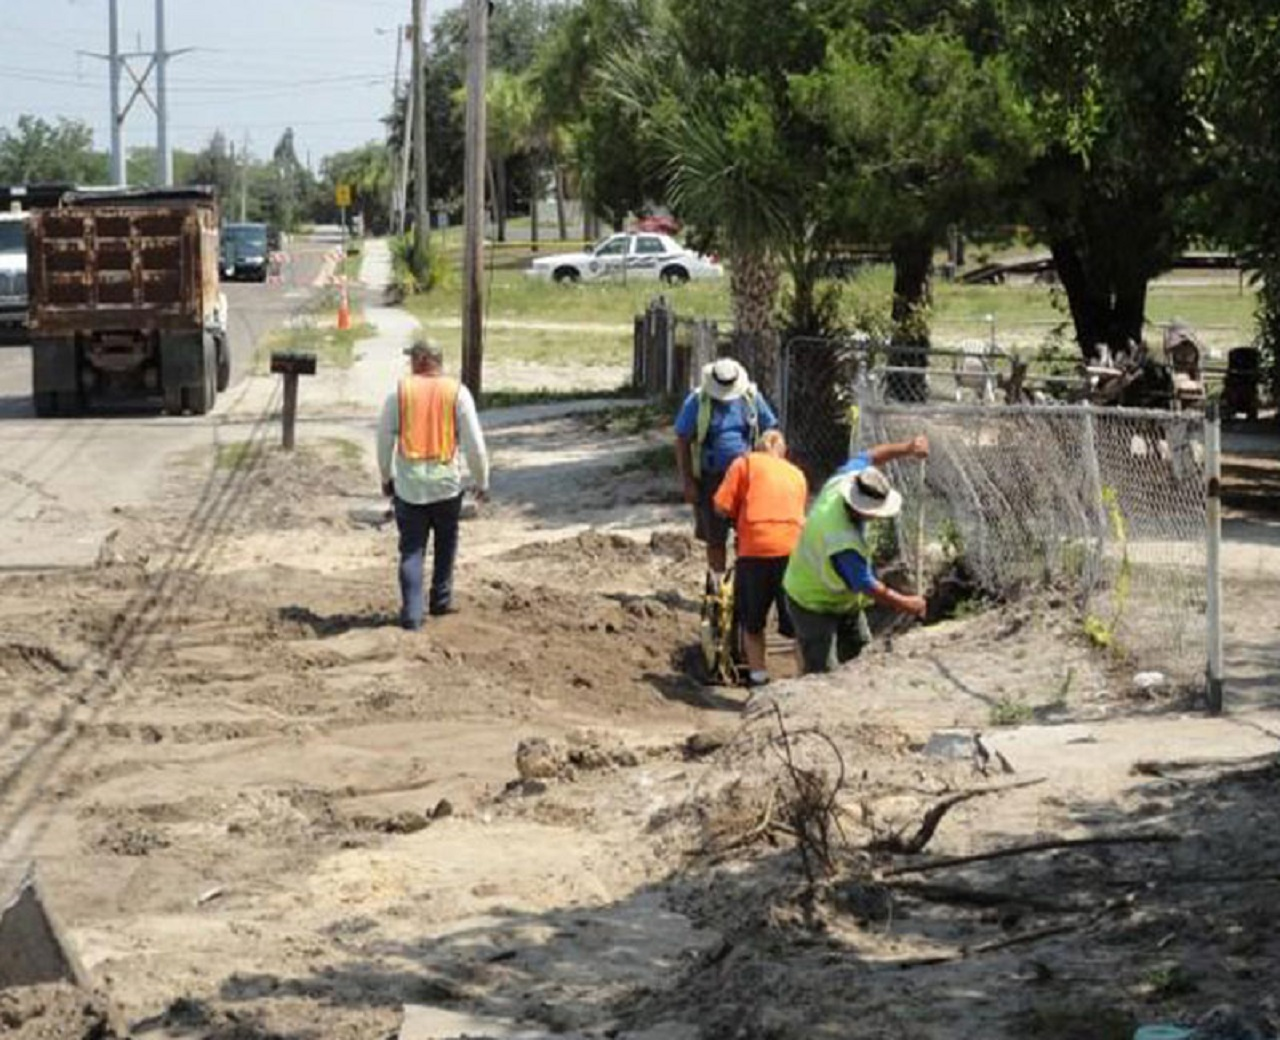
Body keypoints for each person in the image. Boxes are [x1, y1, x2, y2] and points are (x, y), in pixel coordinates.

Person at [782, 436, 930, 674]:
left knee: (860, 657)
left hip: (843, 600)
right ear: (859, 509)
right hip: (811, 601)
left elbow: (871, 456)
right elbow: (868, 586)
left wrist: (907, 448)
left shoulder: (847, 479)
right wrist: (907, 604)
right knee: (824, 672)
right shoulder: (842, 542)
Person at [377, 339, 490, 631]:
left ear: (420, 360)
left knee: (412, 550)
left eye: (412, 358)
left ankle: (413, 615)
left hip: (410, 487)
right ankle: (440, 600)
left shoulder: (399, 393)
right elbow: (475, 445)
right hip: (445, 485)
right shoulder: (457, 393)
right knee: (445, 542)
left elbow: (383, 440)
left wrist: (386, 477)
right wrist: (481, 481)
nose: (410, 363)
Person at [713, 430, 808, 688]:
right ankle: (803, 677)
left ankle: (758, 677)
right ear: (781, 450)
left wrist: (736, 517)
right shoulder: (797, 474)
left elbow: (721, 506)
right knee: (798, 621)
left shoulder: (744, 464)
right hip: (792, 549)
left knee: (752, 621)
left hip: (755, 549)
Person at [674, 357, 779, 581]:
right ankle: (717, 583)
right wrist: (688, 482)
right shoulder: (697, 401)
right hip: (712, 479)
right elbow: (682, 440)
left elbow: (771, 430)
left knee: (747, 534)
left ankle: (743, 584)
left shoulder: (750, 398)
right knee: (715, 537)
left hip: (746, 479)